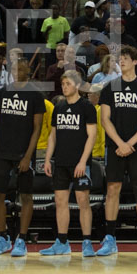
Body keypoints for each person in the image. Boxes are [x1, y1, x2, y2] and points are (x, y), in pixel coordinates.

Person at [98, 45, 137, 257]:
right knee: (112, 190)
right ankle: (110, 238)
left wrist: (130, 143)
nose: (121, 61)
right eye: (119, 58)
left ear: (135, 62)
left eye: (125, 58)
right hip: (114, 147)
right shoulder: (110, 87)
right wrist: (120, 143)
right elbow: (104, 119)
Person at [0, 59, 44, 257]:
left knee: (25, 196)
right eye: (15, 68)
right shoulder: (3, 93)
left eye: (21, 68)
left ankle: (22, 239)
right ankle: (3, 237)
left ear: (29, 71)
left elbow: (37, 129)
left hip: (23, 153)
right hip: (2, 152)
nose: (17, 71)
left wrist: (28, 156)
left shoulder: (35, 95)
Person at [39, 70, 98, 255]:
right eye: (63, 84)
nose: (64, 87)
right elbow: (53, 136)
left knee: (83, 201)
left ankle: (87, 242)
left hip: (80, 163)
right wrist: (48, 159)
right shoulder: (59, 107)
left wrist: (82, 162)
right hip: (61, 162)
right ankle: (62, 242)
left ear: (78, 85)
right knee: (60, 201)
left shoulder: (86, 107)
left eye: (68, 84)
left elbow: (92, 136)